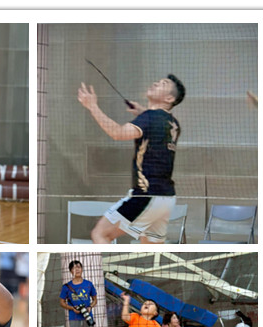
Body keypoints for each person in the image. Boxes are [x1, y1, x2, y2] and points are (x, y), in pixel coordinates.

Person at [77, 75, 186, 244]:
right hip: (166, 198)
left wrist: (92, 107)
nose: (156, 82)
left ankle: (107, 265)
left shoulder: (149, 118)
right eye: (158, 81)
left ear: (169, 98)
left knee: (101, 234)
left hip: (146, 196)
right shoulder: (173, 123)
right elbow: (157, 125)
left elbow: (118, 133)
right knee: (153, 250)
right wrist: (143, 112)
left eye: (163, 84)